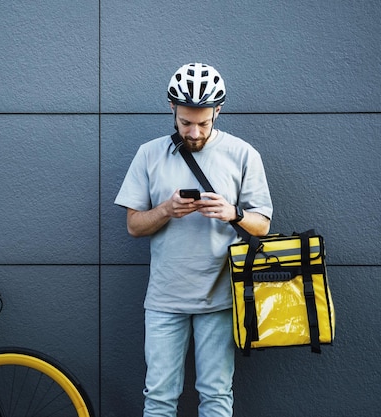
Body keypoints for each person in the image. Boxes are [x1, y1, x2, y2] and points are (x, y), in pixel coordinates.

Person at [114, 63, 273, 417]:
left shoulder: (243, 154)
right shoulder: (149, 154)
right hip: (163, 301)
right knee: (158, 399)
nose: (195, 132)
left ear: (218, 111)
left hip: (220, 299)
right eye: (186, 123)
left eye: (203, 122)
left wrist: (234, 212)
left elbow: (262, 224)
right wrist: (166, 209)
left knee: (216, 397)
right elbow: (133, 226)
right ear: (172, 109)